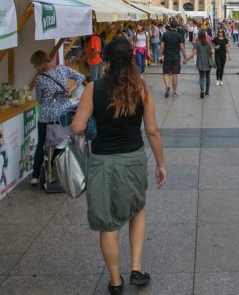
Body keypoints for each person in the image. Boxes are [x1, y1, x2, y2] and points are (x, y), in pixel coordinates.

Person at [69, 39, 166, 291]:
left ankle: (115, 282)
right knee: (137, 209)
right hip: (132, 159)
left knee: (108, 223)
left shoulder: (93, 88)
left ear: (107, 60)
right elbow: (153, 131)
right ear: (132, 58)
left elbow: (77, 127)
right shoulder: (141, 89)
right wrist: (160, 163)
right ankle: (136, 268)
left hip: (102, 162)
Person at [29, 50, 85, 184]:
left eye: (35, 65)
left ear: (41, 63)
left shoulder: (40, 79)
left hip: (46, 117)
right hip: (63, 115)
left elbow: (40, 100)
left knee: (42, 144)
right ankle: (62, 170)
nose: (35, 68)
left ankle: (36, 175)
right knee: (63, 143)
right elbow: (81, 77)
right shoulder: (63, 69)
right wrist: (71, 89)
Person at [159, 20, 186, 98]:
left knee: (166, 73)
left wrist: (160, 56)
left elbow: (162, 47)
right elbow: (182, 47)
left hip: (167, 56)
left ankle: (167, 86)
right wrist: (185, 57)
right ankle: (174, 92)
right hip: (176, 57)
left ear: (170, 25)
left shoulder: (165, 34)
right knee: (175, 74)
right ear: (177, 26)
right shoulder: (179, 35)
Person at [185, 30, 213, 98]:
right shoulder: (209, 43)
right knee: (208, 77)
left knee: (201, 77)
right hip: (208, 62)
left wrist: (186, 59)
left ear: (199, 36)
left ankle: (202, 90)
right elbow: (212, 52)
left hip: (200, 62)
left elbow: (193, 53)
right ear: (205, 36)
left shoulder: (197, 43)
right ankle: (207, 91)